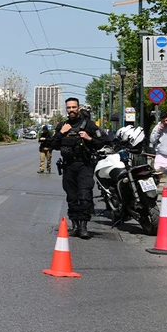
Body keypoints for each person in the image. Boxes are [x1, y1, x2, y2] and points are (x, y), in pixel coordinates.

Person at [52, 97, 104, 239]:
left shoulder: (89, 125)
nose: (71, 110)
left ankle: (83, 227)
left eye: (74, 107)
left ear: (78, 108)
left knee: (85, 195)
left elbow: (101, 143)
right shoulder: (62, 125)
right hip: (68, 166)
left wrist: (89, 138)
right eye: (69, 108)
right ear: (66, 109)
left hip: (84, 165)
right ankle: (75, 226)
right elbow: (53, 145)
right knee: (72, 197)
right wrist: (61, 133)